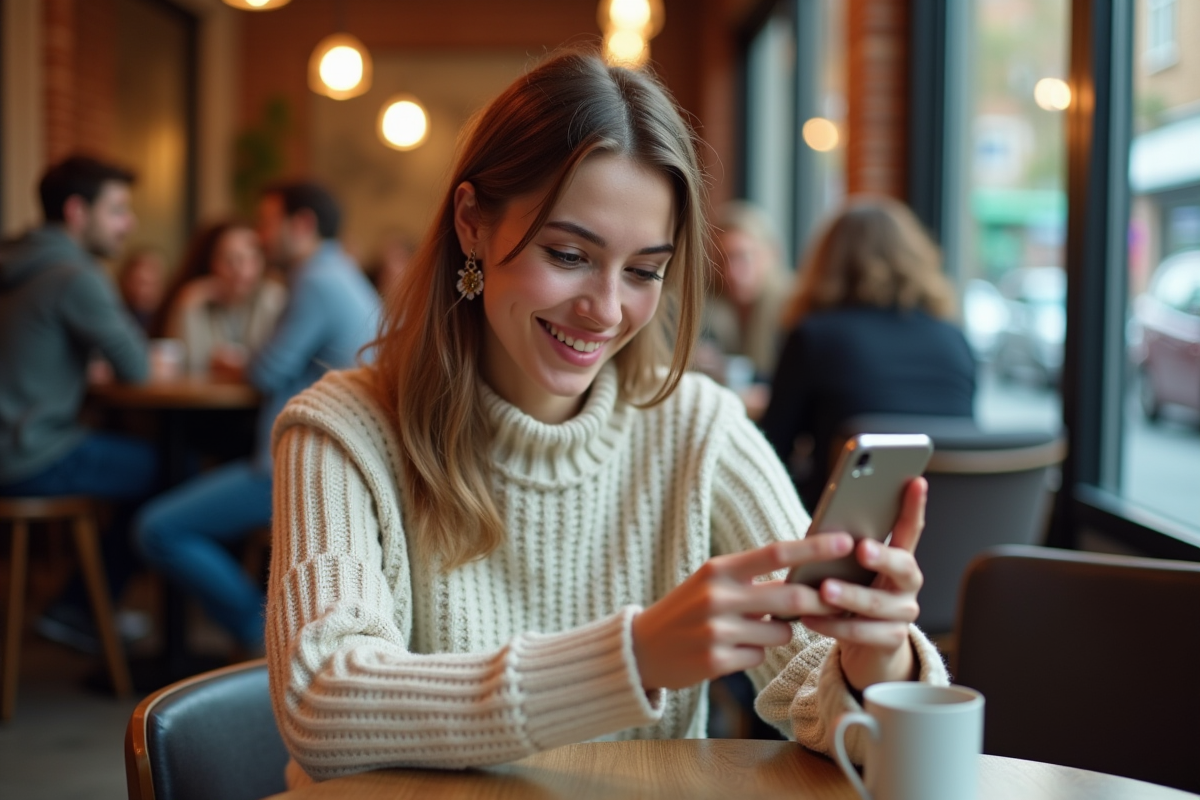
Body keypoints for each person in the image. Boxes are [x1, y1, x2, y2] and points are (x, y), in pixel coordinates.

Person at [265, 50, 947, 789]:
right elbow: (322, 703)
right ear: (471, 224)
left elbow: (823, 707)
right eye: (568, 254)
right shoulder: (342, 431)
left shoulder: (696, 428)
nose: (607, 309)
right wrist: (632, 657)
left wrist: (876, 660)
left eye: (645, 270)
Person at [134, 183, 379, 655]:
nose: (262, 237)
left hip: (306, 465)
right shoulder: (338, 273)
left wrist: (242, 362)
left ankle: (261, 633)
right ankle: (261, 631)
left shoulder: (316, 280)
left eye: (267, 223)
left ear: (301, 224)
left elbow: (267, 369)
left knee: (157, 529)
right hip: (339, 456)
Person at [0, 154, 157, 651]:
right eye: (116, 210)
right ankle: (82, 608)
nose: (127, 224)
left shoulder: (17, 260)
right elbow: (138, 367)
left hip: (11, 442)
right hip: (28, 454)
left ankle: (81, 605)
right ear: (75, 212)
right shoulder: (75, 275)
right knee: (174, 470)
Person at [759, 196, 976, 511]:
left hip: (843, 541)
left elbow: (770, 454)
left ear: (828, 262)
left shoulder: (814, 336)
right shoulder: (954, 340)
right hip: (949, 534)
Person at [158, 221, 287, 376]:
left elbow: (273, 361)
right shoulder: (197, 300)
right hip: (206, 398)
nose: (241, 270)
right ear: (211, 263)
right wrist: (188, 305)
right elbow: (188, 365)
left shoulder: (273, 298)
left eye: (251, 258)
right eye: (230, 260)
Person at [699, 200, 792, 381]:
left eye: (742, 257)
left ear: (772, 254)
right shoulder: (711, 305)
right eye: (722, 259)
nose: (731, 272)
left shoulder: (792, 307)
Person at [117, 247, 166, 334]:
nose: (142, 291)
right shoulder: (116, 314)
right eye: (137, 282)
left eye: (150, 284)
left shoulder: (167, 319)